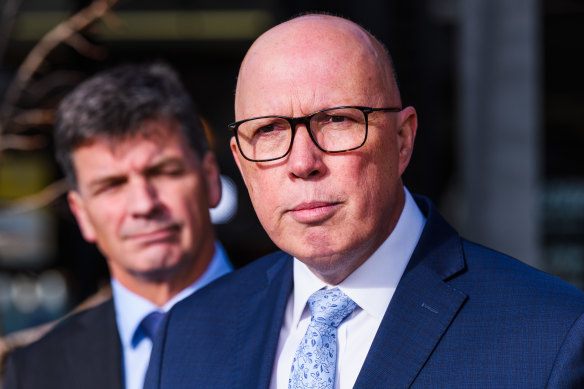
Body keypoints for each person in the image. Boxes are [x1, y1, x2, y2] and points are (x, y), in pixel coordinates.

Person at [145, 14, 584, 388]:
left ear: (402, 140)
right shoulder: (187, 336)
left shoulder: (552, 335)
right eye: (269, 131)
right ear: (241, 163)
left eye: (337, 120)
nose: (302, 161)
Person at [2, 62, 232, 389]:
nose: (143, 204)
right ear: (81, 214)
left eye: (163, 171)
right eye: (111, 185)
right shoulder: (36, 370)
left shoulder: (294, 324)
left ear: (210, 179)